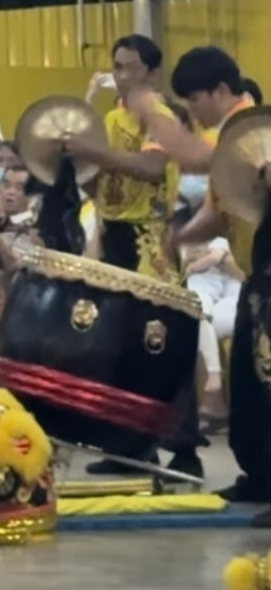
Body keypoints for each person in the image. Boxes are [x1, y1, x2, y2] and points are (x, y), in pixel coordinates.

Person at [159, 46, 267, 510]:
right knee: (248, 381)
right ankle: (261, 476)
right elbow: (217, 212)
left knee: (266, 380)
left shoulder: (257, 133)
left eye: (196, 102)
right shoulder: (229, 142)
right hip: (255, 278)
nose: (194, 113)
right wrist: (177, 238)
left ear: (221, 91)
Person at [65, 35, 180, 279]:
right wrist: (76, 163)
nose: (123, 76)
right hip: (111, 233)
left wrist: (90, 151)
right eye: (117, 67)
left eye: (132, 68)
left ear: (153, 74)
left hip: (149, 237)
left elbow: (152, 166)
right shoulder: (110, 119)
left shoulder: (161, 117)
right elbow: (97, 186)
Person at [182, 233, 242, 429]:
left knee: (201, 326)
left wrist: (213, 259)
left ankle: (214, 397)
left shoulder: (223, 241)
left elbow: (234, 268)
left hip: (233, 302)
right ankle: (214, 398)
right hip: (203, 300)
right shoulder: (186, 242)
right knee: (199, 320)